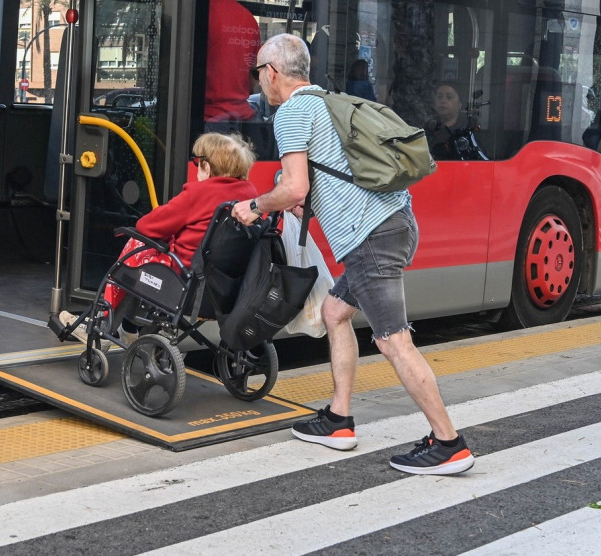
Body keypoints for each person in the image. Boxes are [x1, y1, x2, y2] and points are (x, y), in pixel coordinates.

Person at [232, 34, 474, 476]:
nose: (259, 82)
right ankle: (339, 419)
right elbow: (327, 178)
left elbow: (293, 187)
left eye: (258, 74)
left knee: (392, 340)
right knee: (335, 311)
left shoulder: (290, 114)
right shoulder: (327, 103)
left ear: (271, 73)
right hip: (397, 221)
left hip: (370, 239)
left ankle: (448, 442)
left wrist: (253, 206)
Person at [58, 131, 259, 342]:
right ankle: (129, 327)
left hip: (184, 282)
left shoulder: (200, 194)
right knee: (147, 258)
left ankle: (101, 324)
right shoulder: (250, 195)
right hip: (223, 288)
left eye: (197, 162)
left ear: (207, 167)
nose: (196, 166)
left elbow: (147, 226)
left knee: (137, 246)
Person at [203, 0, 260, 128]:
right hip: (243, 121)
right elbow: (254, 80)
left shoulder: (201, 13)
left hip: (207, 120)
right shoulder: (249, 19)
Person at [424, 81, 487, 161]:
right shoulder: (427, 130)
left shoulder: (469, 131)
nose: (443, 101)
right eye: (439, 97)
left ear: (460, 104)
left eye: (449, 97)